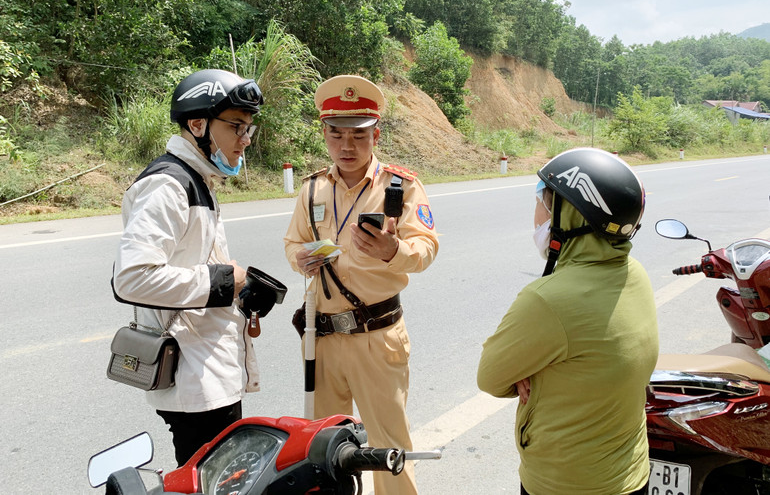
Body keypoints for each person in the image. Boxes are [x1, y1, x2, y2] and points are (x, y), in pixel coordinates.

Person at [284, 75, 439, 494]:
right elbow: (293, 240)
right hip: (323, 337)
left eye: (358, 135)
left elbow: (426, 248)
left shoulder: (400, 186)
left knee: (389, 450)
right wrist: (299, 257)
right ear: (324, 134)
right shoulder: (313, 188)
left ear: (377, 134)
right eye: (336, 134)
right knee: (322, 449)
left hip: (377, 336)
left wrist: (392, 251)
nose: (346, 146)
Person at [476, 147, 659, 495]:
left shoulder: (548, 300)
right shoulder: (635, 274)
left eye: (543, 203)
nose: (537, 215)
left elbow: (490, 378)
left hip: (566, 483)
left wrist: (531, 369)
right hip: (630, 473)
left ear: (572, 216)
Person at [112, 69, 265, 466]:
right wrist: (223, 281)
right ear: (197, 124)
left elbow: (193, 266)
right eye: (236, 127)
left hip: (210, 371)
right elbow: (132, 277)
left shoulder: (200, 181)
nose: (245, 140)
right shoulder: (168, 185)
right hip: (193, 379)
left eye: (250, 128)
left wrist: (243, 294)